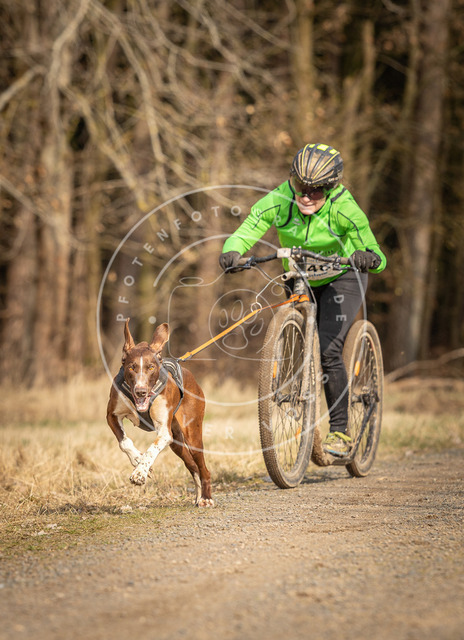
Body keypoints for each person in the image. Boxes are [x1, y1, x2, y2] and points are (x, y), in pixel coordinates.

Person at [219, 143, 386, 456]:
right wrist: (232, 250)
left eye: (315, 190)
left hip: (342, 277)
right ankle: (297, 388)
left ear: (331, 188)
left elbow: (377, 254)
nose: (305, 196)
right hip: (300, 275)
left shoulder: (345, 208)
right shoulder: (280, 199)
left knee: (328, 351)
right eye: (300, 187)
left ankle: (340, 431)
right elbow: (251, 226)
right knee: (298, 335)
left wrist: (368, 257)